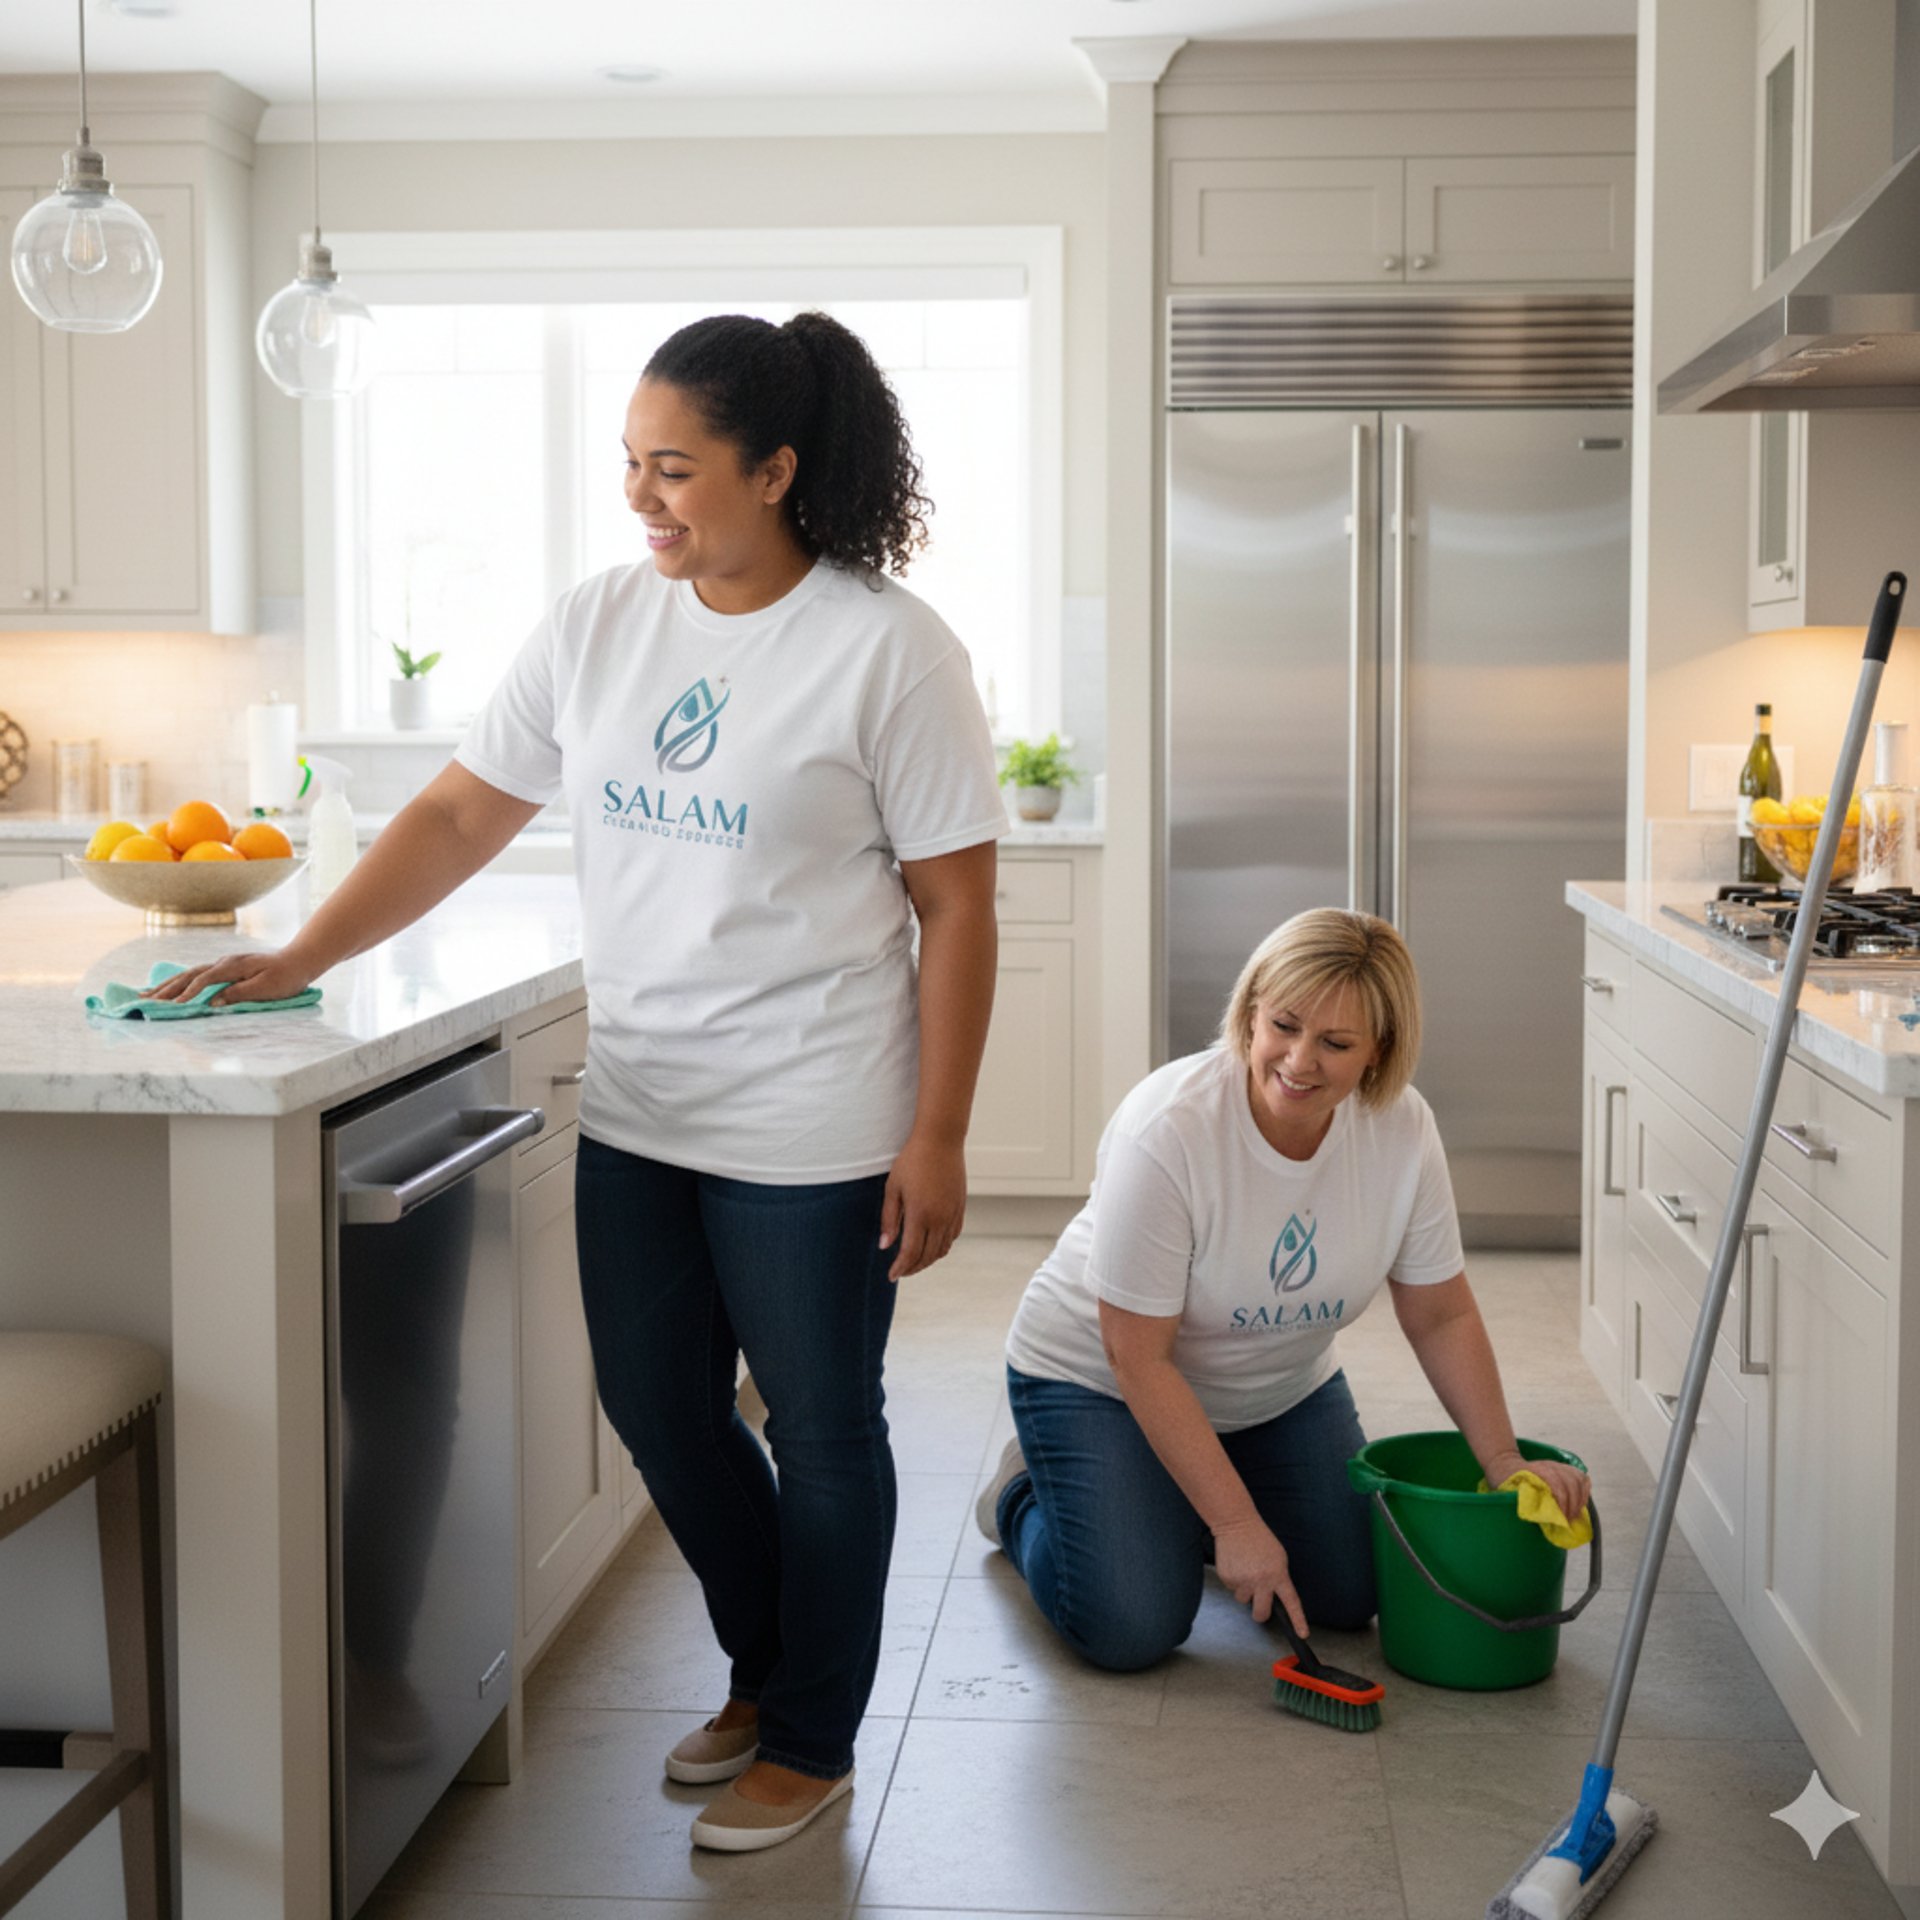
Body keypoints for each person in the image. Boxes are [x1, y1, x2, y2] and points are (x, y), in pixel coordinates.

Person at [149, 310, 1006, 1850]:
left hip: (816, 1121)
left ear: (777, 471)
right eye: (629, 462)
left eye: (675, 468)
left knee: (822, 1430)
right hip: (645, 1106)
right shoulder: (603, 623)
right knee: (661, 1412)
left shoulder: (889, 648)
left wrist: (938, 1133)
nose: (642, 496)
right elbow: (464, 815)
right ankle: (765, 1674)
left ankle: (811, 1737)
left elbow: (958, 905)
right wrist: (301, 955)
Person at [977, 907, 1591, 1670]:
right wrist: (1235, 1524)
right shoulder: (1169, 1130)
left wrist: (1501, 1458)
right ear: (1250, 1011)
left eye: (1335, 1044)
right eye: (1284, 1026)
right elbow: (1138, 1356)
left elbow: (1440, 1312)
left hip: (1277, 1392)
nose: (1299, 1061)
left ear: (1379, 1052)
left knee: (1351, 1594)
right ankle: (1024, 1497)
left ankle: (1168, 1505)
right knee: (1133, 1624)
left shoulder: (1402, 1130)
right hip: (1097, 1380)